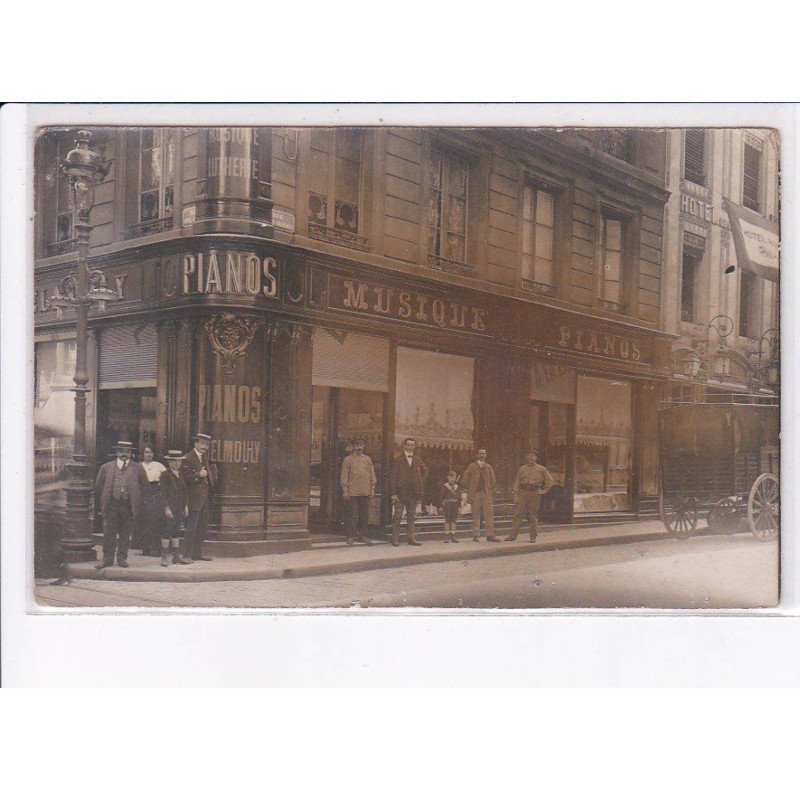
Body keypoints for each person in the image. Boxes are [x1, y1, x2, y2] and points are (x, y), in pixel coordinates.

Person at [94, 440, 142, 568]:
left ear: (131, 453)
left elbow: (144, 486)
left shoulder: (137, 467)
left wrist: (135, 500)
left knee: (125, 533)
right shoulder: (106, 467)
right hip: (111, 505)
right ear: (116, 452)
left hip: (128, 505)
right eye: (121, 451)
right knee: (109, 533)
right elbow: (99, 487)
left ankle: (122, 558)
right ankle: (107, 559)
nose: (124, 454)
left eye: (127, 451)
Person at [505, 450, 555, 543]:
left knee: (532, 515)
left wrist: (543, 491)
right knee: (518, 514)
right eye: (529, 455)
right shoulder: (522, 469)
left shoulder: (542, 469)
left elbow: (550, 481)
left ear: (536, 457)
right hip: (522, 493)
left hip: (534, 494)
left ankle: (533, 537)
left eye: (533, 456)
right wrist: (515, 495)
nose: (531, 457)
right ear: (526, 457)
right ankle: (512, 536)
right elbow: (516, 481)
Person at [181, 433, 216, 562]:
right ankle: (186, 555)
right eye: (202, 443)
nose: (204, 447)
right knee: (191, 527)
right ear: (195, 443)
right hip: (193, 499)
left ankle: (197, 553)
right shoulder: (188, 457)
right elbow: (183, 478)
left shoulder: (204, 457)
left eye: (206, 444)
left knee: (202, 526)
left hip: (205, 498)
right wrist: (198, 475)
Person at [340, 437, 377, 546]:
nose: (359, 447)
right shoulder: (347, 460)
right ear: (353, 447)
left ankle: (363, 536)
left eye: (361, 445)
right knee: (352, 515)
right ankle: (351, 536)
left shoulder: (367, 459)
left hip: (365, 491)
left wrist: (372, 489)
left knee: (364, 515)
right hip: (353, 492)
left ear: (363, 447)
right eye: (356, 445)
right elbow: (344, 476)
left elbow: (372, 475)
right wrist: (345, 491)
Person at [390, 437, 426, 546]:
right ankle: (395, 539)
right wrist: (393, 493)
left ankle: (411, 538)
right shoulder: (398, 459)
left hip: (413, 493)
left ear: (414, 447)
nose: (410, 447)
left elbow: (425, 471)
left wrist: (418, 481)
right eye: (408, 445)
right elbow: (393, 477)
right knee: (398, 516)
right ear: (404, 446)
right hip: (400, 493)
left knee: (411, 517)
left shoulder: (417, 459)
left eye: (412, 445)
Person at [159, 449, 191, 567]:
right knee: (167, 530)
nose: (177, 463)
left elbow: (185, 491)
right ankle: (164, 557)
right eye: (174, 461)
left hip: (179, 506)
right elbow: (162, 493)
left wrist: (186, 505)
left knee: (176, 530)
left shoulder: (181, 474)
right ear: (169, 462)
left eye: (179, 461)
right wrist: (166, 508)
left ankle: (176, 556)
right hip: (169, 506)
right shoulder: (165, 475)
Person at [461, 448, 500, 542]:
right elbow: (465, 479)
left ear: (486, 455)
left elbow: (493, 481)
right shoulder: (472, 466)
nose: (482, 455)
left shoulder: (488, 467)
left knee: (489, 514)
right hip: (476, 494)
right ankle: (476, 535)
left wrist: (489, 490)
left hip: (486, 494)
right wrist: (471, 489)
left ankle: (490, 535)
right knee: (475, 514)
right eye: (480, 454)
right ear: (477, 455)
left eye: (483, 454)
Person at [136, 445, 167, 556]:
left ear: (153, 454)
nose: (148, 454)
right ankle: (145, 548)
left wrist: (160, 484)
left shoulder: (158, 465)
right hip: (143, 494)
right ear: (143, 454)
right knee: (144, 521)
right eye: (146, 452)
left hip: (156, 493)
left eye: (150, 452)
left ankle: (156, 548)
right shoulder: (138, 466)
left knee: (155, 520)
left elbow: (167, 477)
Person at [439, 470, 461, 543]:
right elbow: (441, 497)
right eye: (450, 477)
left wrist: (459, 506)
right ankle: (446, 536)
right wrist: (441, 506)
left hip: (455, 505)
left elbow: (459, 497)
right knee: (447, 521)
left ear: (455, 477)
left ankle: (453, 536)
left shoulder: (457, 486)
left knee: (454, 521)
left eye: (453, 477)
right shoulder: (445, 486)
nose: (452, 479)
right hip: (448, 505)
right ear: (447, 478)